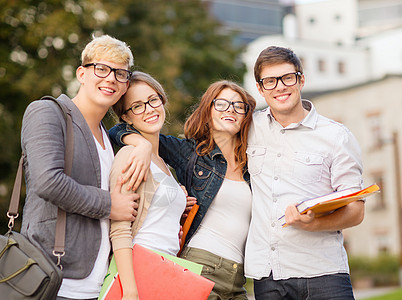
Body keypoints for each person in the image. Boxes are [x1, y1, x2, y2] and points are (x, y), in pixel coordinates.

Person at [109, 80, 257, 299]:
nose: (230, 110)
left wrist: (180, 201)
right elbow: (117, 129)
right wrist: (141, 144)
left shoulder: (253, 164)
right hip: (201, 265)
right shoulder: (190, 153)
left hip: (238, 275)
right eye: (222, 104)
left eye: (238, 105)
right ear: (208, 110)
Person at [20, 35, 140, 300]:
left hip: (96, 285)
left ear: (125, 86)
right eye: (102, 69)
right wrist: (109, 204)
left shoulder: (109, 139)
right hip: (51, 279)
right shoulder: (47, 112)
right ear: (82, 74)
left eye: (120, 73)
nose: (110, 78)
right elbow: (47, 181)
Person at [245, 46, 364, 299]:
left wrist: (314, 223)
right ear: (260, 88)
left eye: (287, 78)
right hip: (269, 276)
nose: (280, 87)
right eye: (270, 81)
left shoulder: (336, 136)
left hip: (323, 273)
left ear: (301, 80)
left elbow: (356, 211)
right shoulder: (248, 129)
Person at [109, 71, 187, 299]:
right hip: (138, 273)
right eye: (137, 106)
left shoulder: (162, 162)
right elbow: (120, 228)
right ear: (126, 118)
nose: (150, 109)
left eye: (153, 100)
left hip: (166, 271)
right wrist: (130, 291)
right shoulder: (130, 155)